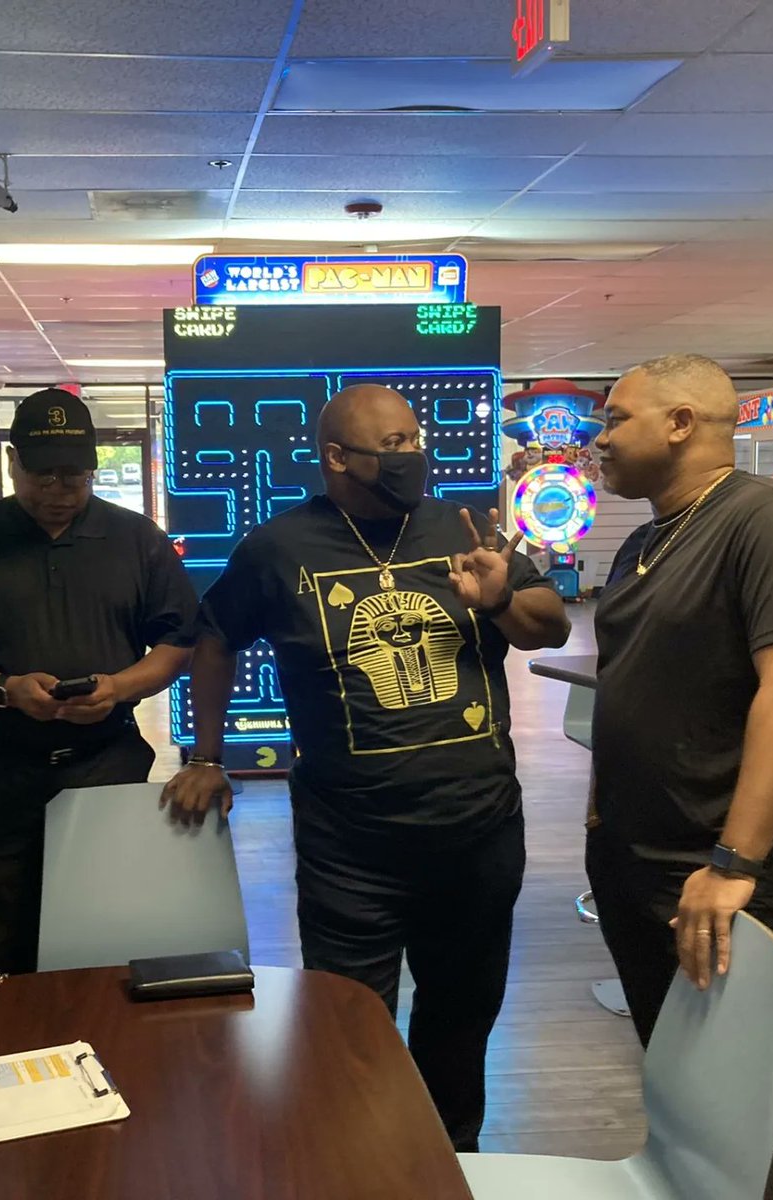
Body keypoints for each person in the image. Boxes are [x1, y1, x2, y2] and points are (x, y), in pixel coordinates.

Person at [163, 384, 571, 1151]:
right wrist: (208, 756)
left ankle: (450, 1159)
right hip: (350, 847)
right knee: (349, 1024)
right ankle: (359, 1161)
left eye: (413, 438)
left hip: (476, 834)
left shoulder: (464, 526)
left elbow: (546, 631)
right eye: (389, 444)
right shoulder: (280, 548)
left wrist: (498, 597)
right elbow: (213, 637)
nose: (409, 455)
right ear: (336, 458)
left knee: (461, 1017)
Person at [589, 354, 773, 1200]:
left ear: (682, 422)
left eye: (616, 418)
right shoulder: (651, 540)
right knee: (688, 1103)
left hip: (722, 876)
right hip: (640, 864)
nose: (598, 438)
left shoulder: (768, 522)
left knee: (745, 1117)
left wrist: (733, 865)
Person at [0, 388, 198, 974]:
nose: (57, 493)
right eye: (42, 476)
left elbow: (176, 645)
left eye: (74, 478)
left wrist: (119, 687)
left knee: (109, 944)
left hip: (105, 765)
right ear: (13, 462)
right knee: (0, 950)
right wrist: (4, 690)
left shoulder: (138, 541)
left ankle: (101, 1058)